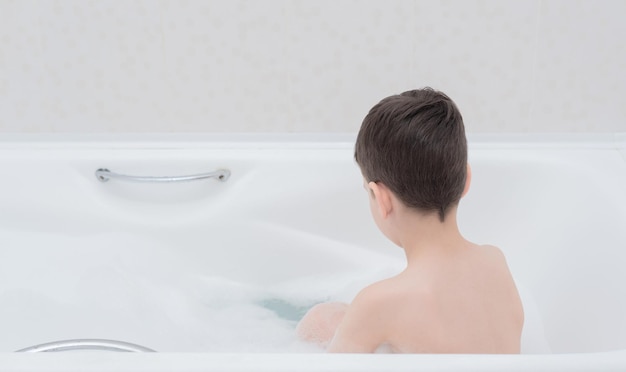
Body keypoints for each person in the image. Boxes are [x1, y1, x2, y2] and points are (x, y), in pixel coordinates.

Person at [296, 88, 524, 353]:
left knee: (320, 318)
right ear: (466, 180)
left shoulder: (378, 303)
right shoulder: (495, 261)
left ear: (381, 199)